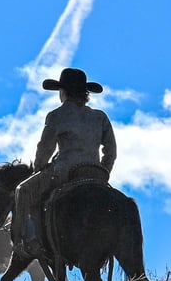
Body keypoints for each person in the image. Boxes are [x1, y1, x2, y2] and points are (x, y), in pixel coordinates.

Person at [13, 67, 117, 256]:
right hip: (94, 173)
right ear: (85, 93)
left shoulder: (57, 115)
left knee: (24, 190)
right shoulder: (100, 117)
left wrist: (39, 167)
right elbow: (111, 151)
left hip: (63, 172)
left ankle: (26, 242)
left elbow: (45, 148)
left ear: (63, 92)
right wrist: (103, 172)